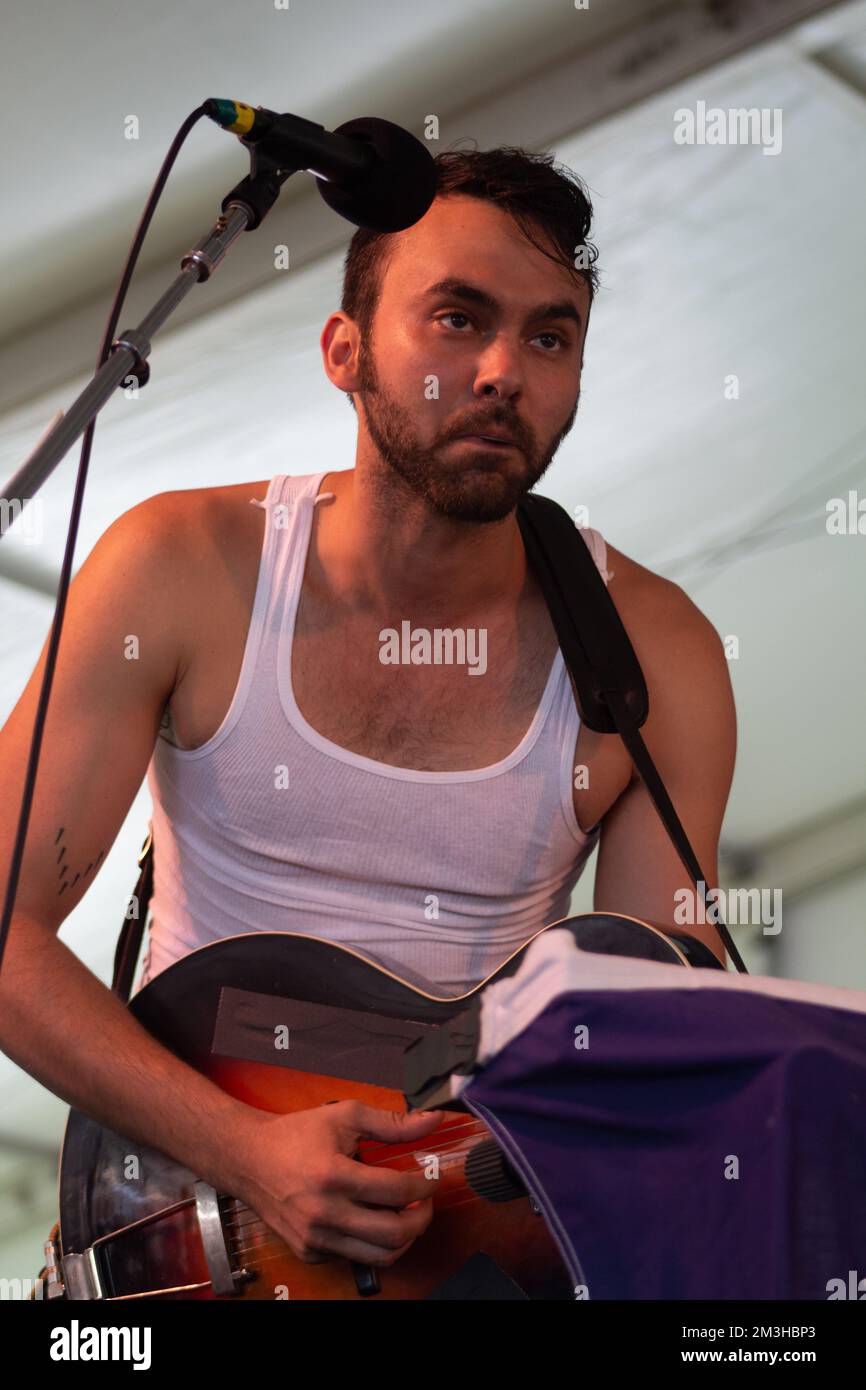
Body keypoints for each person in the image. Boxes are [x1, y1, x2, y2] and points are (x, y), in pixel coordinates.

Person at [0, 147, 736, 1277]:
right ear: (343, 351)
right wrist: (248, 1152)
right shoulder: (182, 568)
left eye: (549, 336)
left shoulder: (656, 654)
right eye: (456, 318)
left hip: (466, 1249)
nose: (502, 370)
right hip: (194, 1233)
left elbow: (638, 1048)